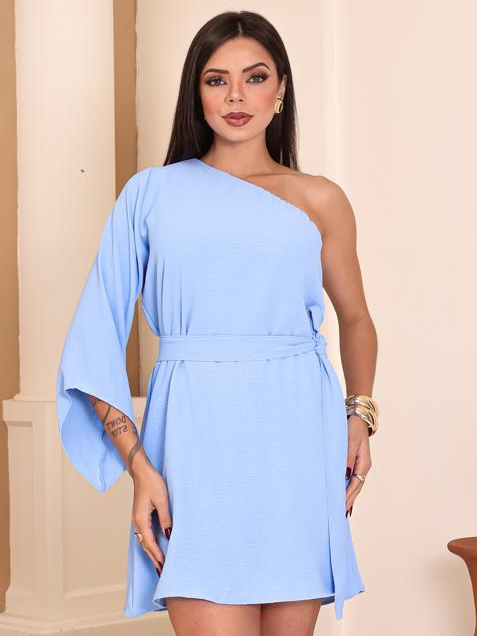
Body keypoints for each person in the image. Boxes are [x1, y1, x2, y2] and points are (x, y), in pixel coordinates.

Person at [56, 10, 378, 636]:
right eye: (215, 80)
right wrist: (139, 467)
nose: (236, 96)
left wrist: (360, 415)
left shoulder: (321, 198)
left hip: (297, 440)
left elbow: (357, 318)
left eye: (254, 77)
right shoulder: (149, 195)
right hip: (194, 446)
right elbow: (93, 339)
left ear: (280, 89)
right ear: (196, 93)